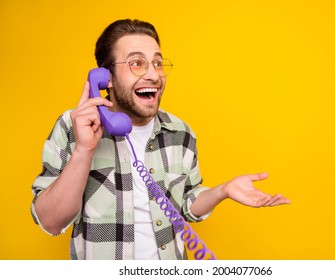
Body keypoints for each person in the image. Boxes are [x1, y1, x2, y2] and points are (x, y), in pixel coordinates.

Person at [31, 19, 290, 260]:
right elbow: (50, 221)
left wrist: (223, 191)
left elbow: (186, 204)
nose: (154, 75)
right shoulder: (72, 126)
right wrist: (84, 149)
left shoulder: (180, 132)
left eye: (157, 63)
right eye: (137, 63)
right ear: (104, 78)